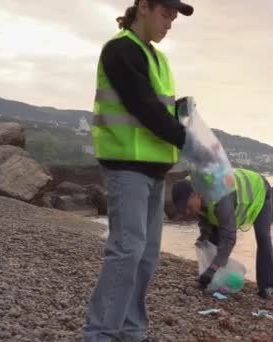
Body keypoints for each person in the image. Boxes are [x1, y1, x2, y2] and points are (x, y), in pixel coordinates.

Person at [84, 1, 199, 341]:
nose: (169, 24)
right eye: (166, 15)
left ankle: (132, 331)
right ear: (144, 7)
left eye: (174, 19)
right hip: (127, 167)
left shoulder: (158, 58)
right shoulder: (120, 49)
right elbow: (143, 107)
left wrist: (185, 117)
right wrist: (192, 143)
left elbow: (159, 108)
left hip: (155, 170)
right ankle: (100, 334)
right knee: (127, 250)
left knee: (145, 255)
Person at [171, 168, 273, 299]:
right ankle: (215, 280)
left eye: (188, 207)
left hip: (259, 189)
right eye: (183, 210)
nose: (187, 212)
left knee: (263, 237)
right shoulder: (193, 192)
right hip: (227, 198)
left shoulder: (220, 197)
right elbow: (206, 221)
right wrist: (203, 237)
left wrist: (212, 269)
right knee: (211, 239)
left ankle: (267, 287)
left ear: (195, 195)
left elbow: (229, 238)